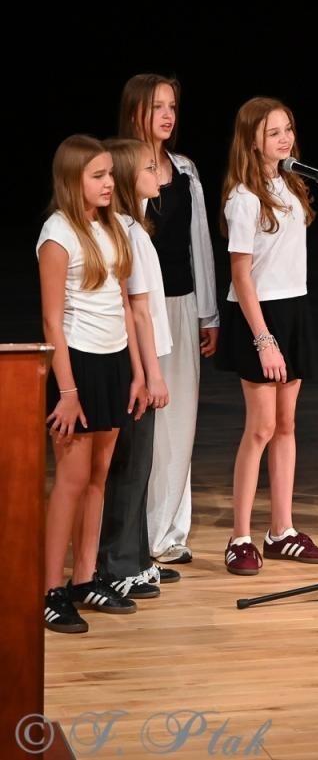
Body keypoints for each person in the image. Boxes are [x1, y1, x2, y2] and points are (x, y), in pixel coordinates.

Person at [216, 98, 318, 574]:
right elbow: (241, 275)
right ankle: (240, 536)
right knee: (260, 428)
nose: (285, 139)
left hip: (294, 306)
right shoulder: (243, 198)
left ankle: (281, 529)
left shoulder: (292, 185)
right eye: (273, 133)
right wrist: (263, 339)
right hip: (257, 314)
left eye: (288, 129)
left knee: (287, 426)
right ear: (252, 141)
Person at [40, 136, 142, 632]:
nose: (108, 183)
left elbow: (123, 302)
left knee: (99, 476)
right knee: (72, 480)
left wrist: (139, 370)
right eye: (98, 176)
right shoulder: (57, 234)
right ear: (72, 181)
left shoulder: (114, 227)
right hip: (76, 366)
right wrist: (68, 391)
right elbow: (52, 321)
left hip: (114, 361)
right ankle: (49, 589)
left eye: (109, 174)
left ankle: (84, 578)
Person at [119, 74, 218, 567]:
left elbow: (198, 240)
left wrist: (209, 313)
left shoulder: (185, 170)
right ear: (135, 110)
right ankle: (133, 537)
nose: (167, 115)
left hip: (181, 301)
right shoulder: (117, 168)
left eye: (173, 106)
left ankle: (169, 532)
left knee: (180, 420)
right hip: (136, 309)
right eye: (157, 105)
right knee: (143, 422)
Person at [97, 138, 174, 600]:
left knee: (141, 465)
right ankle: (117, 562)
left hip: (145, 358)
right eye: (149, 167)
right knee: (129, 467)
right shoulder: (127, 232)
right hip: (134, 363)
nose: (158, 173)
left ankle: (137, 557)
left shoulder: (135, 228)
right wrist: (150, 374)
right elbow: (136, 310)